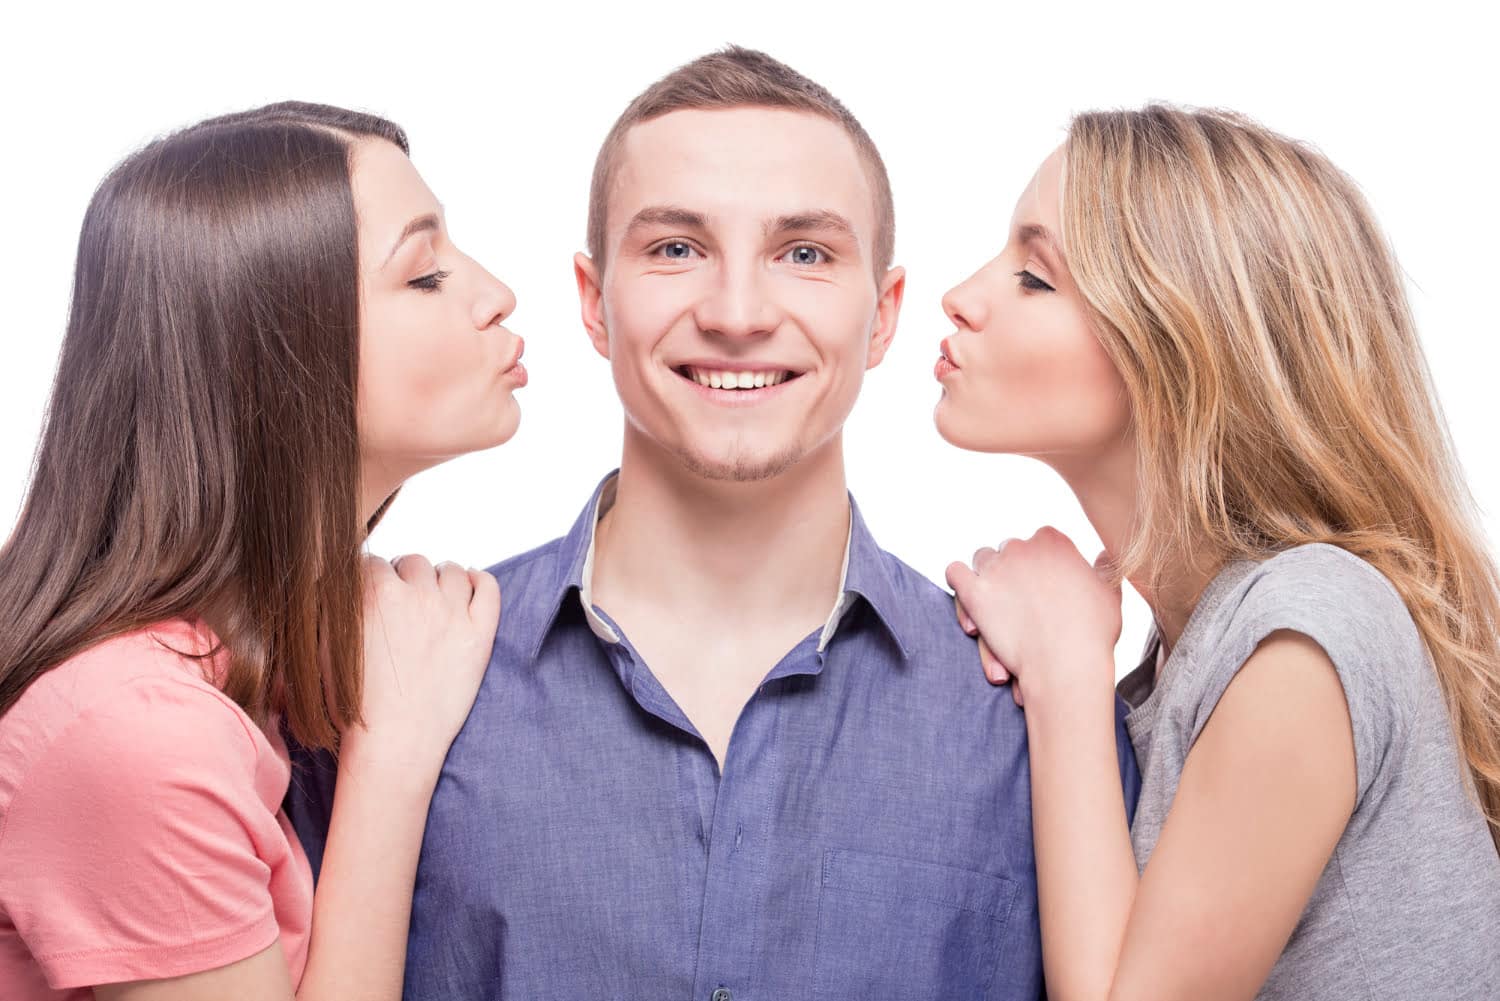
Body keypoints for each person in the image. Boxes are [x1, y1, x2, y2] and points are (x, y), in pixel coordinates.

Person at [289, 46, 1139, 1000]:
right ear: (594, 304)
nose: (737, 314)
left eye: (805, 254)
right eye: (675, 249)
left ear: (884, 317)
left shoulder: (1039, 717)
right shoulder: (385, 684)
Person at [942, 105, 1500, 1000]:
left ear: (1180, 348)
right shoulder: (1193, 657)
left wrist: (1065, 669)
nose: (962, 296)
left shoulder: (1308, 632)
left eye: (1035, 278)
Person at [0, 101, 523, 999]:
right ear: (266, 352)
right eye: (425, 275)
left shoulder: (252, 668)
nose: (495, 294)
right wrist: (392, 755)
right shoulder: (134, 730)